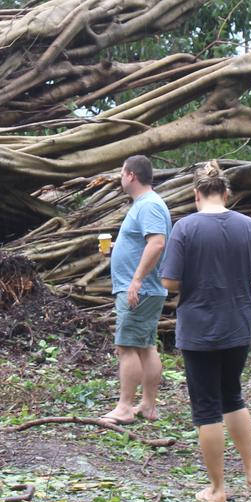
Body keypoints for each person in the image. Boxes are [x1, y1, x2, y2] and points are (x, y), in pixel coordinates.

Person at [160, 160, 251, 502]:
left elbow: (169, 281)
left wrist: (196, 284)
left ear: (195, 193)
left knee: (206, 408)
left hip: (200, 330)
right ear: (226, 193)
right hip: (238, 325)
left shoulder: (185, 228)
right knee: (233, 396)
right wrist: (248, 290)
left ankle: (217, 489)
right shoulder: (249, 226)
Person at [100, 155, 172, 425]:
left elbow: (157, 243)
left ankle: (125, 407)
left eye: (121, 173)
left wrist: (137, 280)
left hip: (139, 290)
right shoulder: (145, 205)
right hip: (145, 289)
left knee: (127, 346)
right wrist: (118, 251)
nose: (120, 178)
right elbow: (145, 243)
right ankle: (148, 407)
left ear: (131, 175)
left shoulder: (149, 205)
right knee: (145, 347)